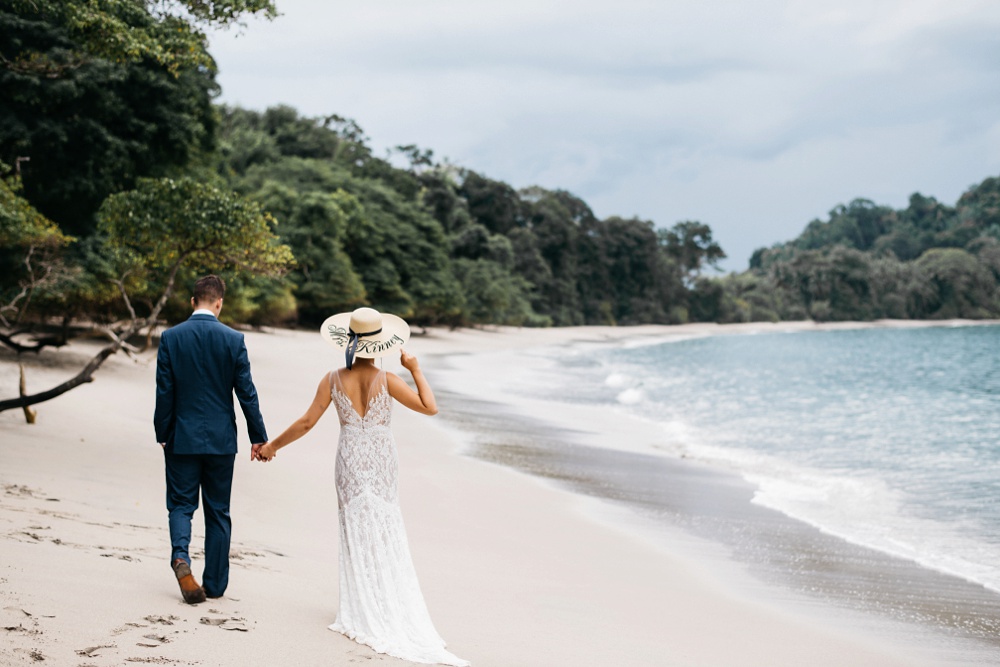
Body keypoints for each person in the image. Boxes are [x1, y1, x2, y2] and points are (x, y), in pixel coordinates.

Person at [258, 307, 468, 667]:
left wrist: (271, 446)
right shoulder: (389, 380)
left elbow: (308, 422)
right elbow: (430, 407)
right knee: (384, 525)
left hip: (350, 461)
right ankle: (383, 598)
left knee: (355, 527)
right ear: (382, 344)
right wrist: (415, 368)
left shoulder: (332, 379)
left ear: (348, 341)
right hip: (382, 461)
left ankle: (362, 601)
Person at [153, 275, 268, 604]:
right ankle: (214, 584)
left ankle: (180, 558)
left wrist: (163, 432)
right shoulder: (233, 340)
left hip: (182, 437)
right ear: (219, 303)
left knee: (180, 504)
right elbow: (247, 394)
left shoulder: (171, 338)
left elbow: (165, 393)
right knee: (218, 511)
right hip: (221, 441)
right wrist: (258, 438)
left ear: (193, 301)